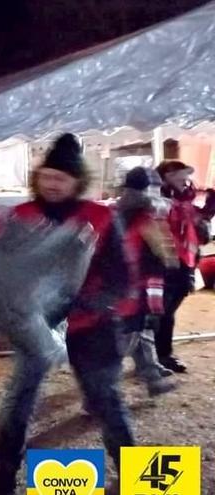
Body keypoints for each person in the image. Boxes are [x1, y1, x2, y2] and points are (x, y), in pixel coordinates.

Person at [0, 134, 135, 495]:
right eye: (47, 176)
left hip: (91, 326)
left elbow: (121, 276)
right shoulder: (21, 216)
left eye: (62, 178)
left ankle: (137, 478)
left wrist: (90, 303)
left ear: (77, 182)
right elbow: (3, 270)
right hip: (35, 326)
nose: (53, 183)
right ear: (37, 177)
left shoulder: (100, 217)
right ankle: (4, 475)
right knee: (20, 397)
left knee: (106, 398)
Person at [114, 167, 179, 396]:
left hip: (121, 284)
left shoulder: (117, 211)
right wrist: (172, 264)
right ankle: (97, 396)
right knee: (126, 339)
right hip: (135, 287)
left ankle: (153, 378)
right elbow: (162, 251)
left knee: (142, 331)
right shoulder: (146, 216)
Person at [155, 160, 215, 373]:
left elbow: (197, 227)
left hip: (187, 259)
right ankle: (161, 355)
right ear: (168, 175)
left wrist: (208, 210)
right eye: (181, 174)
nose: (186, 179)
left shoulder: (187, 198)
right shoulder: (158, 197)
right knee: (164, 310)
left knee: (169, 307)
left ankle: (156, 353)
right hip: (164, 259)